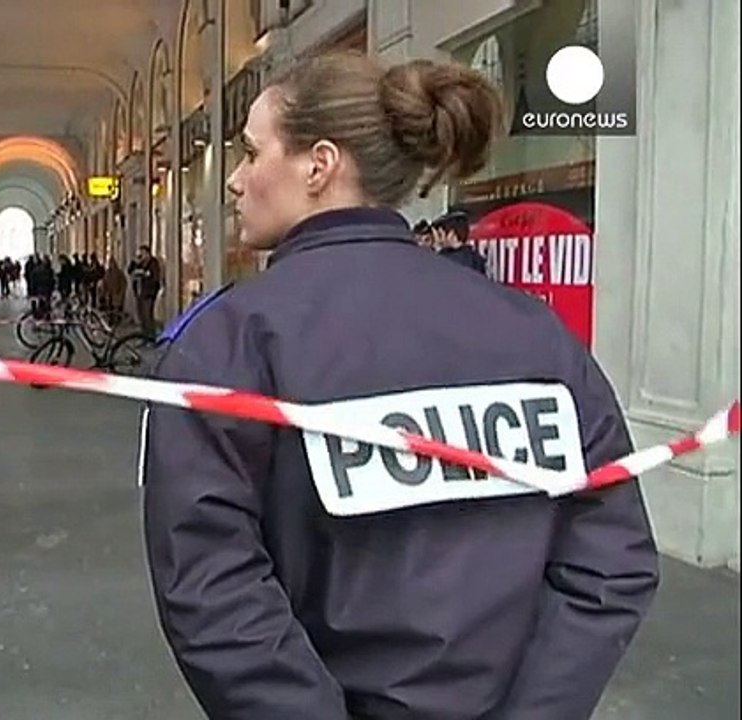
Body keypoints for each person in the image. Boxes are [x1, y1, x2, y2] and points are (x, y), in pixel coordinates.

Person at [139, 50, 659, 719]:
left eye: (250, 152)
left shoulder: (229, 344)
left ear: (319, 166)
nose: (235, 180)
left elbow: (209, 580)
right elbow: (611, 556)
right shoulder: (535, 332)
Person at [431, 208, 487, 274]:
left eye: (440, 235)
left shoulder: (444, 261)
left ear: (451, 234)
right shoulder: (477, 259)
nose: (438, 240)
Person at [128, 245, 163, 337]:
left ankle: (151, 336)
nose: (141, 255)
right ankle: (144, 336)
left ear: (147, 253)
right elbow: (129, 270)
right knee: (142, 315)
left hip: (149, 293)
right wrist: (135, 262)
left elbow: (154, 277)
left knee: (147, 315)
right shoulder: (141, 263)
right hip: (140, 292)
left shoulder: (153, 262)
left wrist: (145, 274)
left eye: (142, 253)